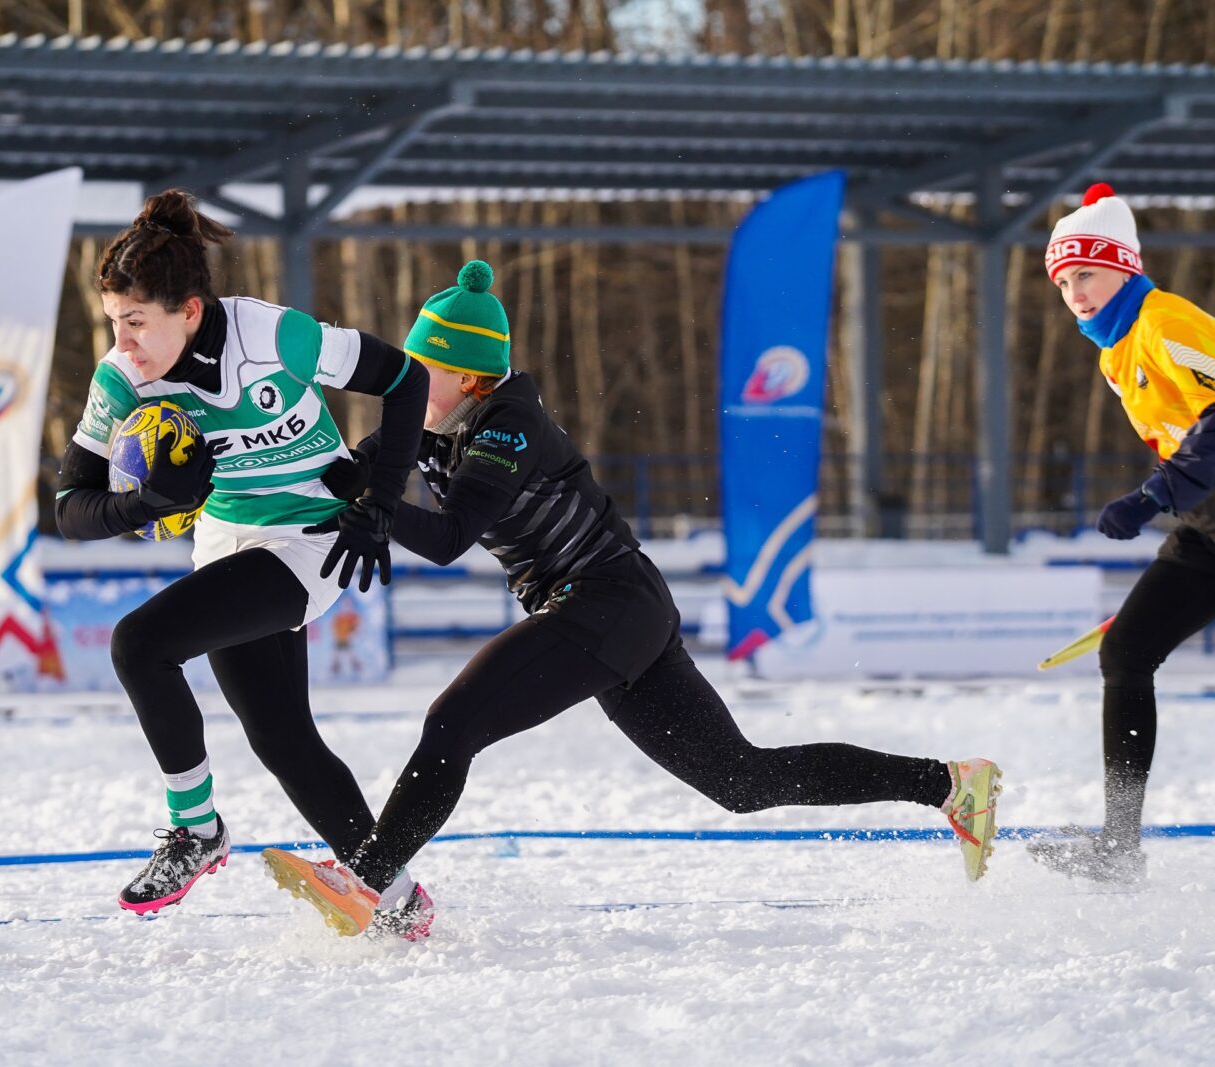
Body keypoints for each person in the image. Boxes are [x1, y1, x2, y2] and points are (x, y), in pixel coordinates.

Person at [263, 260, 1002, 937]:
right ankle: (947, 783)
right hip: (612, 610)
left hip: (604, 600)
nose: (410, 383)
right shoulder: (428, 422)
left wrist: (360, 500)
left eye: (424, 368)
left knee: (453, 720)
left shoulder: (507, 423)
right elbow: (335, 473)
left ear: (471, 377)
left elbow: (452, 535)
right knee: (742, 781)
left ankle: (371, 883)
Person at [54, 189, 434, 933]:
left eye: (135, 322)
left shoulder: (272, 335)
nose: (122, 341)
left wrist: (380, 502)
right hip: (227, 540)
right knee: (282, 737)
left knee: (139, 644)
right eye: (113, 322)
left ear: (190, 309)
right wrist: (145, 504)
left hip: (311, 538)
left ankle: (195, 829)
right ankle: (398, 900)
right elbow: (71, 507)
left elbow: (406, 380)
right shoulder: (123, 377)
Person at [1029, 183, 1215, 884]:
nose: (1075, 291)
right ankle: (1118, 845)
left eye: (1088, 274)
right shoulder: (1115, 350)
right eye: (1064, 280)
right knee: (1127, 652)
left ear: (1126, 269)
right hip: (1207, 531)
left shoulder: (1166, 322)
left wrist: (1152, 495)